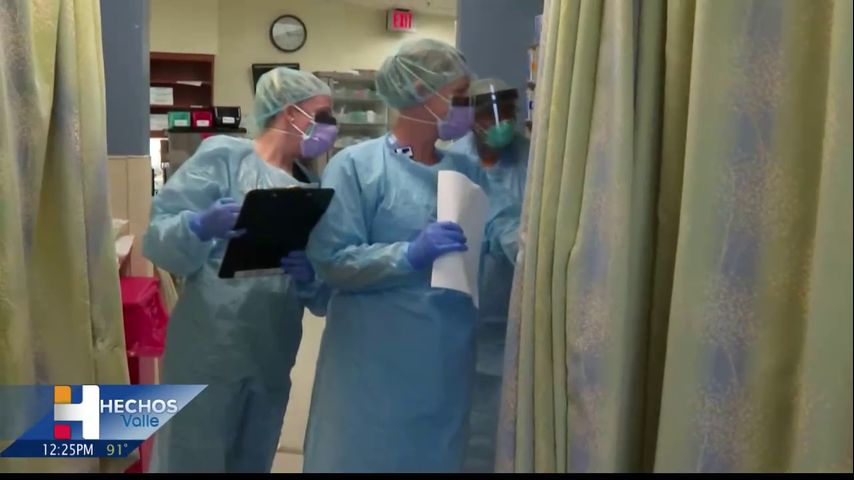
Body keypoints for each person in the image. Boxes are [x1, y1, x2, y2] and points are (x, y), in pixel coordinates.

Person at [302, 38, 514, 473]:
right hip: (373, 366)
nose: (466, 108)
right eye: (458, 96)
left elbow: (496, 235)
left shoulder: (466, 171)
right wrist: (410, 255)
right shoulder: (357, 167)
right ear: (420, 91)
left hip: (445, 361)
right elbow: (333, 261)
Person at [143, 67, 336, 473]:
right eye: (321, 116)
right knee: (192, 453)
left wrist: (310, 276)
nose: (328, 128)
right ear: (290, 112)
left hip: (273, 345)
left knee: (254, 452)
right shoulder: (225, 158)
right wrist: (198, 226)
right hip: (210, 340)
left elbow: (321, 295)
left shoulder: (311, 189)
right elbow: (159, 241)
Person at [448, 78, 529, 473]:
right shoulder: (451, 162)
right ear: (471, 120)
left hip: (516, 311)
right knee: (460, 420)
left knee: (507, 421)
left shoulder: (533, 160)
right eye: (489, 115)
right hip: (459, 313)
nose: (501, 123)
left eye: (508, 113)